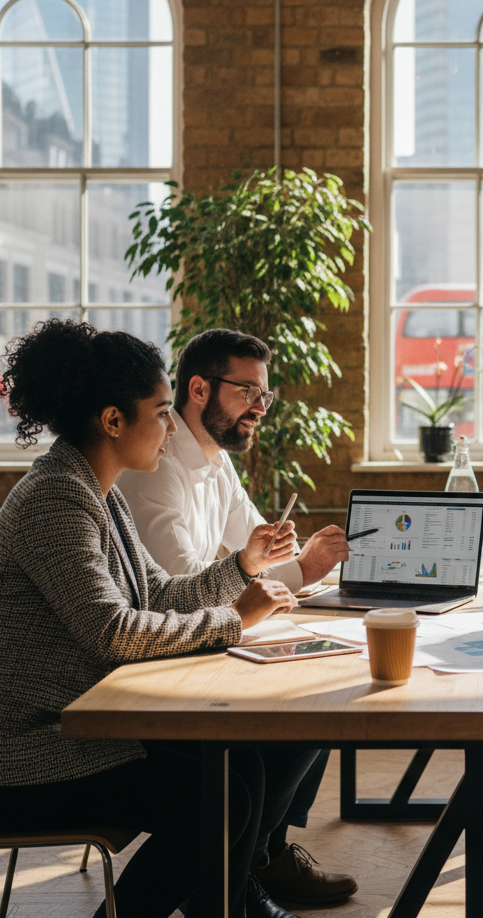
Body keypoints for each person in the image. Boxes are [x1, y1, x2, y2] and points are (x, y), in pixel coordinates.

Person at [0, 319, 320, 918]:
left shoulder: (96, 490)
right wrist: (234, 621)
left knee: (240, 768)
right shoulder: (56, 499)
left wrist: (241, 568)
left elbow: (158, 591)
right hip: (27, 750)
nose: (171, 428)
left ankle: (230, 908)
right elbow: (112, 630)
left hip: (80, 722)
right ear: (113, 421)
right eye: (163, 412)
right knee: (221, 800)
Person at [117, 328, 356, 907]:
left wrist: (308, 565)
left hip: (198, 638)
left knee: (325, 688)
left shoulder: (215, 460)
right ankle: (244, 870)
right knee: (303, 711)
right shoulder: (155, 467)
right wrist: (259, 576)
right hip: (168, 657)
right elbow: (183, 595)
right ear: (198, 389)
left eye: (264, 395)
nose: (260, 407)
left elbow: (253, 561)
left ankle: (262, 857)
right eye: (248, 391)